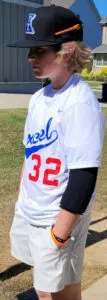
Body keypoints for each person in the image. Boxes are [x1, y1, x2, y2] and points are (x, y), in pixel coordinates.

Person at [9, 5, 105, 300]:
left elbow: (84, 176)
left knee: (48, 291)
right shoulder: (40, 98)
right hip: (32, 210)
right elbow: (30, 153)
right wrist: (22, 202)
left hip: (56, 217)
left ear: (67, 50)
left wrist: (59, 234)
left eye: (38, 50)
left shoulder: (79, 101)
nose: (29, 57)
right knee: (61, 288)